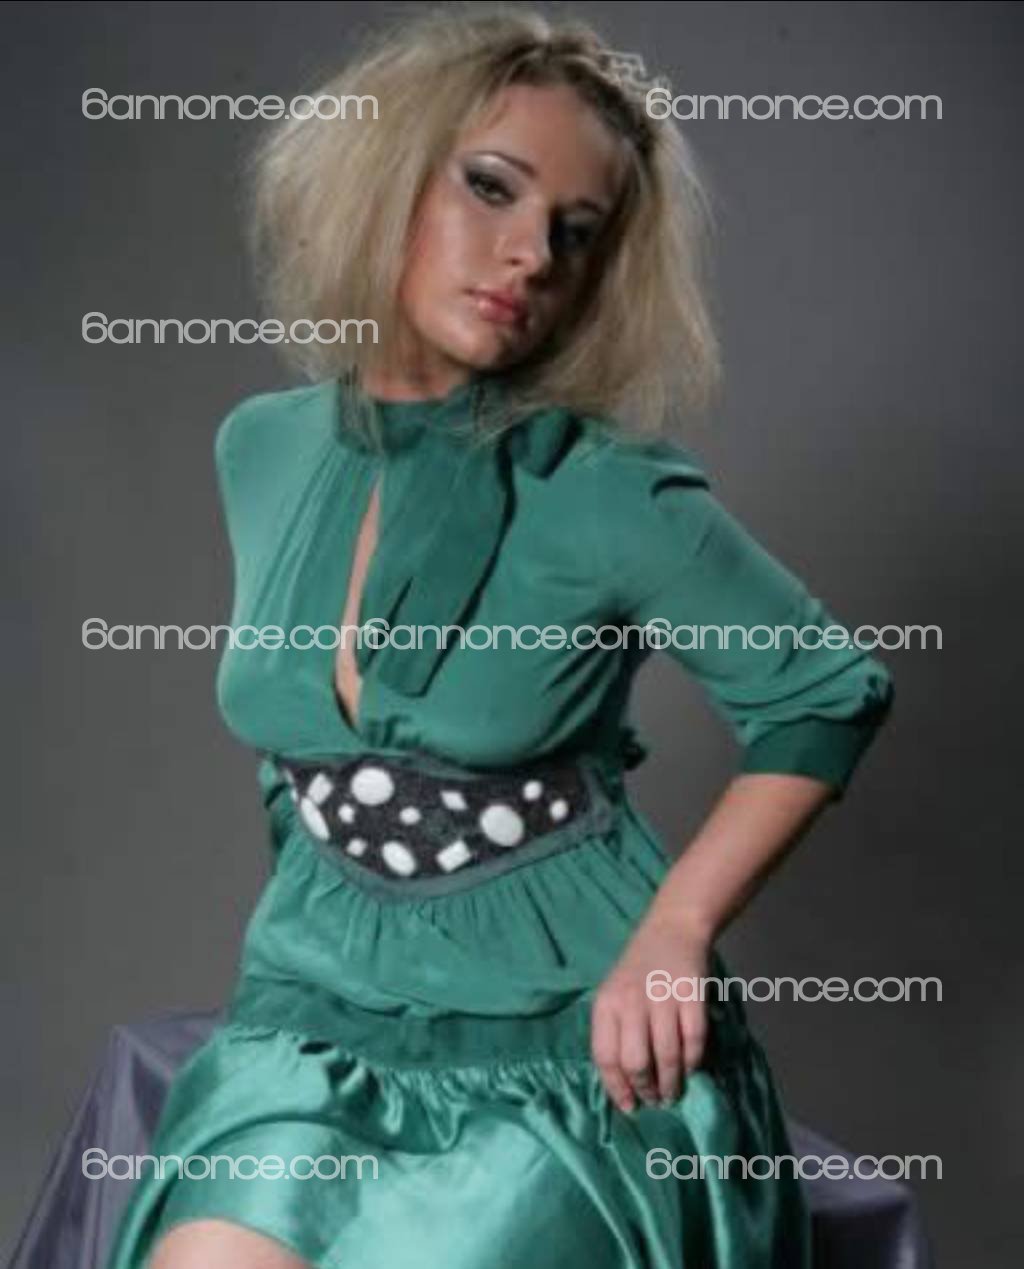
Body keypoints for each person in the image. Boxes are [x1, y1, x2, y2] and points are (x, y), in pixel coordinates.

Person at [107, 7, 894, 1267]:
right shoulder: (260, 448)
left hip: (569, 1056)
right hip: (311, 1031)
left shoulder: (607, 490)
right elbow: (298, 754)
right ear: (385, 178)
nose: (529, 254)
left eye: (575, 234)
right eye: (491, 188)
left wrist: (675, 935)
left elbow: (823, 694)